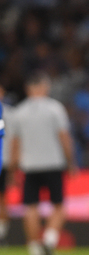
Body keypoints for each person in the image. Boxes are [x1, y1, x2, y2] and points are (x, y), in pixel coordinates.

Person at [9, 71, 77, 255]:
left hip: (29, 166)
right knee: (59, 205)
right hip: (53, 164)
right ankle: (49, 239)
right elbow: (64, 137)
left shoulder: (19, 112)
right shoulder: (55, 108)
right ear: (44, 86)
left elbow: (14, 145)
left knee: (30, 207)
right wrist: (71, 162)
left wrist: (12, 170)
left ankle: (34, 248)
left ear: (28, 89)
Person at [0, 85, 12, 245]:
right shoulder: (12, 113)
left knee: (2, 200)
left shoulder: (11, 113)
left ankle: (1, 236)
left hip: (4, 162)